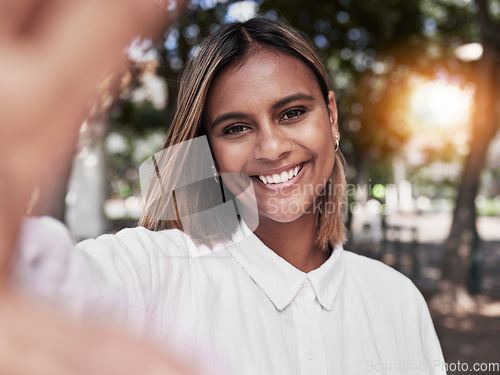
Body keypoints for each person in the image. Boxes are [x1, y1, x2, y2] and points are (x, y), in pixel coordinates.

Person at [13, 16, 446, 375]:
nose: (272, 148)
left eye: (293, 113)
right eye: (236, 128)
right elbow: (29, 284)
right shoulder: (154, 273)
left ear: (331, 117)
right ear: (209, 152)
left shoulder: (397, 298)